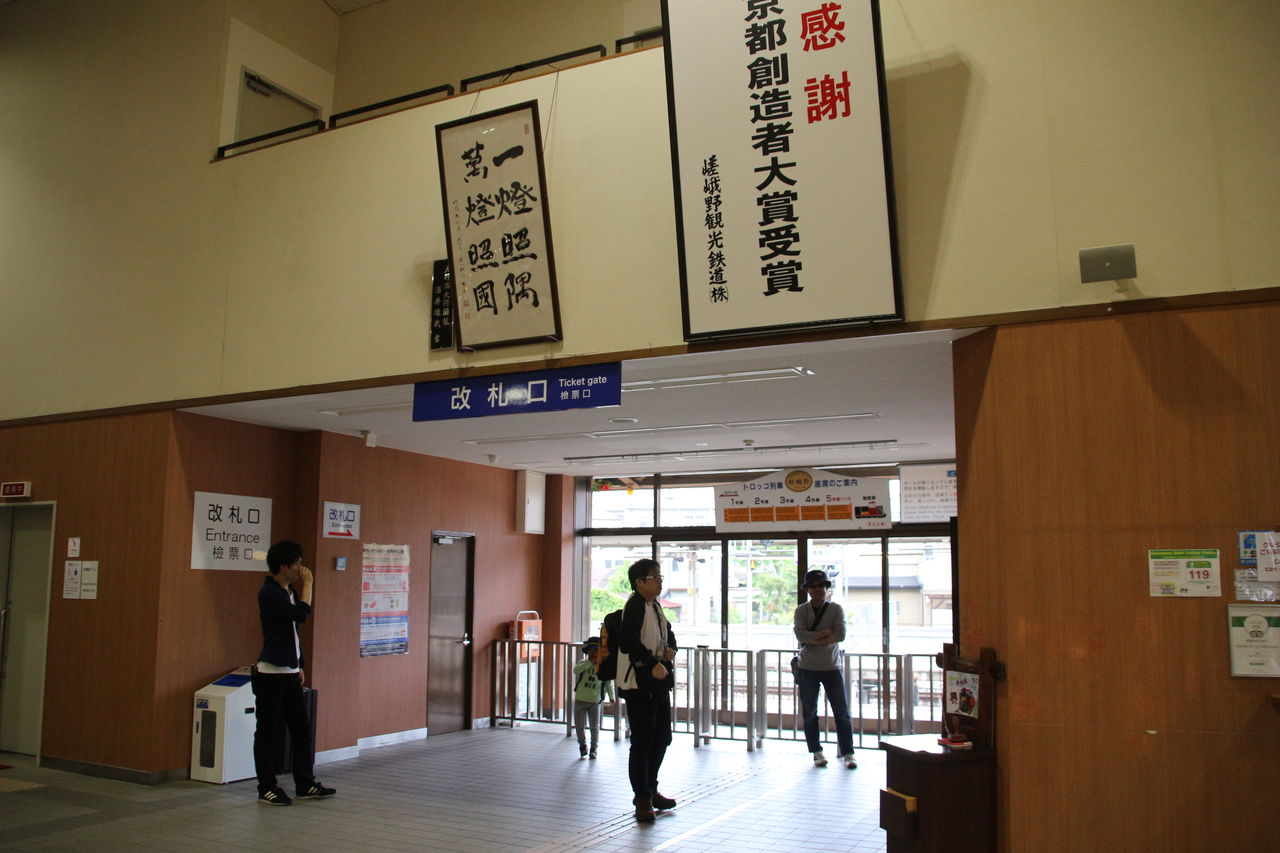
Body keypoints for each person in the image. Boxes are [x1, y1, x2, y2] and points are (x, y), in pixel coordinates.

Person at [251, 540, 336, 805]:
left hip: (289, 671)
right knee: (267, 732)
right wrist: (309, 585)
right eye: (297, 563)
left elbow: (294, 634)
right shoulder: (270, 593)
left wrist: (299, 665)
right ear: (283, 566)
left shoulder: (287, 591)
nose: (301, 568)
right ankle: (266, 787)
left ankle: (305, 783)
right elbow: (300, 615)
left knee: (301, 729)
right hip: (270, 674)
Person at [616, 558, 678, 823]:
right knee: (642, 742)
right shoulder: (635, 606)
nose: (660, 581)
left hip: (658, 682)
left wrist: (671, 648)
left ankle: (651, 789)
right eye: (655, 577)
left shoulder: (655, 606)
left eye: (660, 576)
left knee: (662, 738)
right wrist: (653, 663)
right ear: (639, 582)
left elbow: (668, 632)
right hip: (639, 683)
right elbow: (627, 641)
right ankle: (642, 798)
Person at [793, 568, 857, 769]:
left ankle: (848, 753)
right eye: (813, 586)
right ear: (807, 589)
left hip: (832, 666)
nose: (817, 589)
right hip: (807, 667)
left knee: (842, 712)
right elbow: (801, 635)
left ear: (826, 588)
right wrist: (826, 634)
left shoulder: (836, 609)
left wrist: (814, 638)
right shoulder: (801, 611)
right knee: (810, 712)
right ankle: (816, 751)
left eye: (821, 585)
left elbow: (841, 635)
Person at [571, 636, 614, 759]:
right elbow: (576, 670)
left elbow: (608, 683)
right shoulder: (583, 663)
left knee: (594, 727)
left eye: (595, 650)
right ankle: (582, 745)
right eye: (590, 650)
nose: (592, 653)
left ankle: (594, 748)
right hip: (580, 699)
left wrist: (611, 696)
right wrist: (589, 662)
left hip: (595, 701)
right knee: (579, 726)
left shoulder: (602, 666)